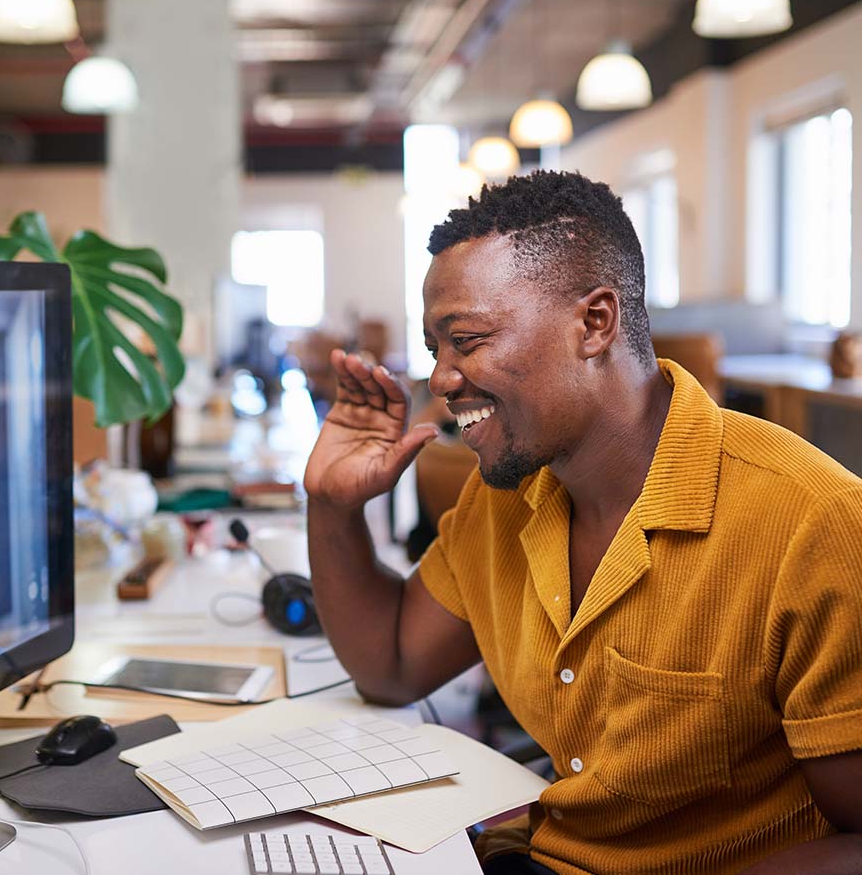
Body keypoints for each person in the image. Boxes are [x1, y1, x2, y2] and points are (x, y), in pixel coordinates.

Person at [303, 171, 862, 875]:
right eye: (434, 349)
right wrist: (330, 504)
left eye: (466, 340)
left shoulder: (812, 522)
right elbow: (390, 664)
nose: (442, 380)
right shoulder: (507, 492)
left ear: (595, 323)